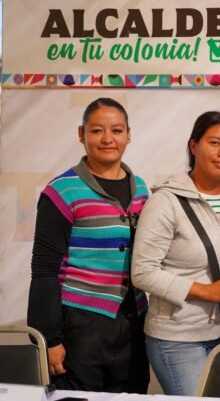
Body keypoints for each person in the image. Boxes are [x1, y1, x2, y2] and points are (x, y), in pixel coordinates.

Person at [27, 97, 150, 392]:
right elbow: (44, 270)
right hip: (80, 326)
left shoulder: (142, 189)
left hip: (133, 322)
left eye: (117, 130)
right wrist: (49, 339)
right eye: (97, 131)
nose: (108, 139)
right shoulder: (62, 191)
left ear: (129, 135)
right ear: (81, 134)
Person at [131, 111, 220, 396]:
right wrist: (206, 291)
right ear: (193, 145)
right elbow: (143, 272)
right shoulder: (166, 201)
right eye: (214, 143)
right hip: (177, 338)